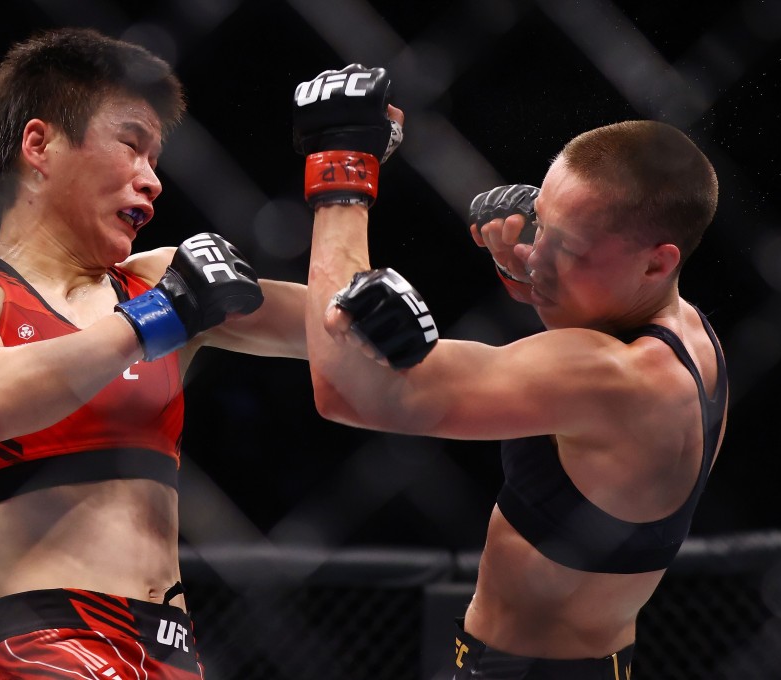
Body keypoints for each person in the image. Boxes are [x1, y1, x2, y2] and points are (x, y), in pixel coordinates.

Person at [0, 27, 307, 679]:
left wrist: (342, 180)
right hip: (51, 652)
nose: (153, 181)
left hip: (176, 656)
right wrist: (159, 317)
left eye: (156, 159)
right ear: (39, 145)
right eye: (131, 146)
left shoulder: (155, 278)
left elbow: (348, 338)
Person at [292, 64, 727, 679]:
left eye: (567, 247)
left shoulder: (621, 378)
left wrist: (342, 175)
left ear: (656, 264)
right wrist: (542, 276)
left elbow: (349, 391)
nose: (534, 254)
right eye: (541, 223)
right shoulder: (690, 335)